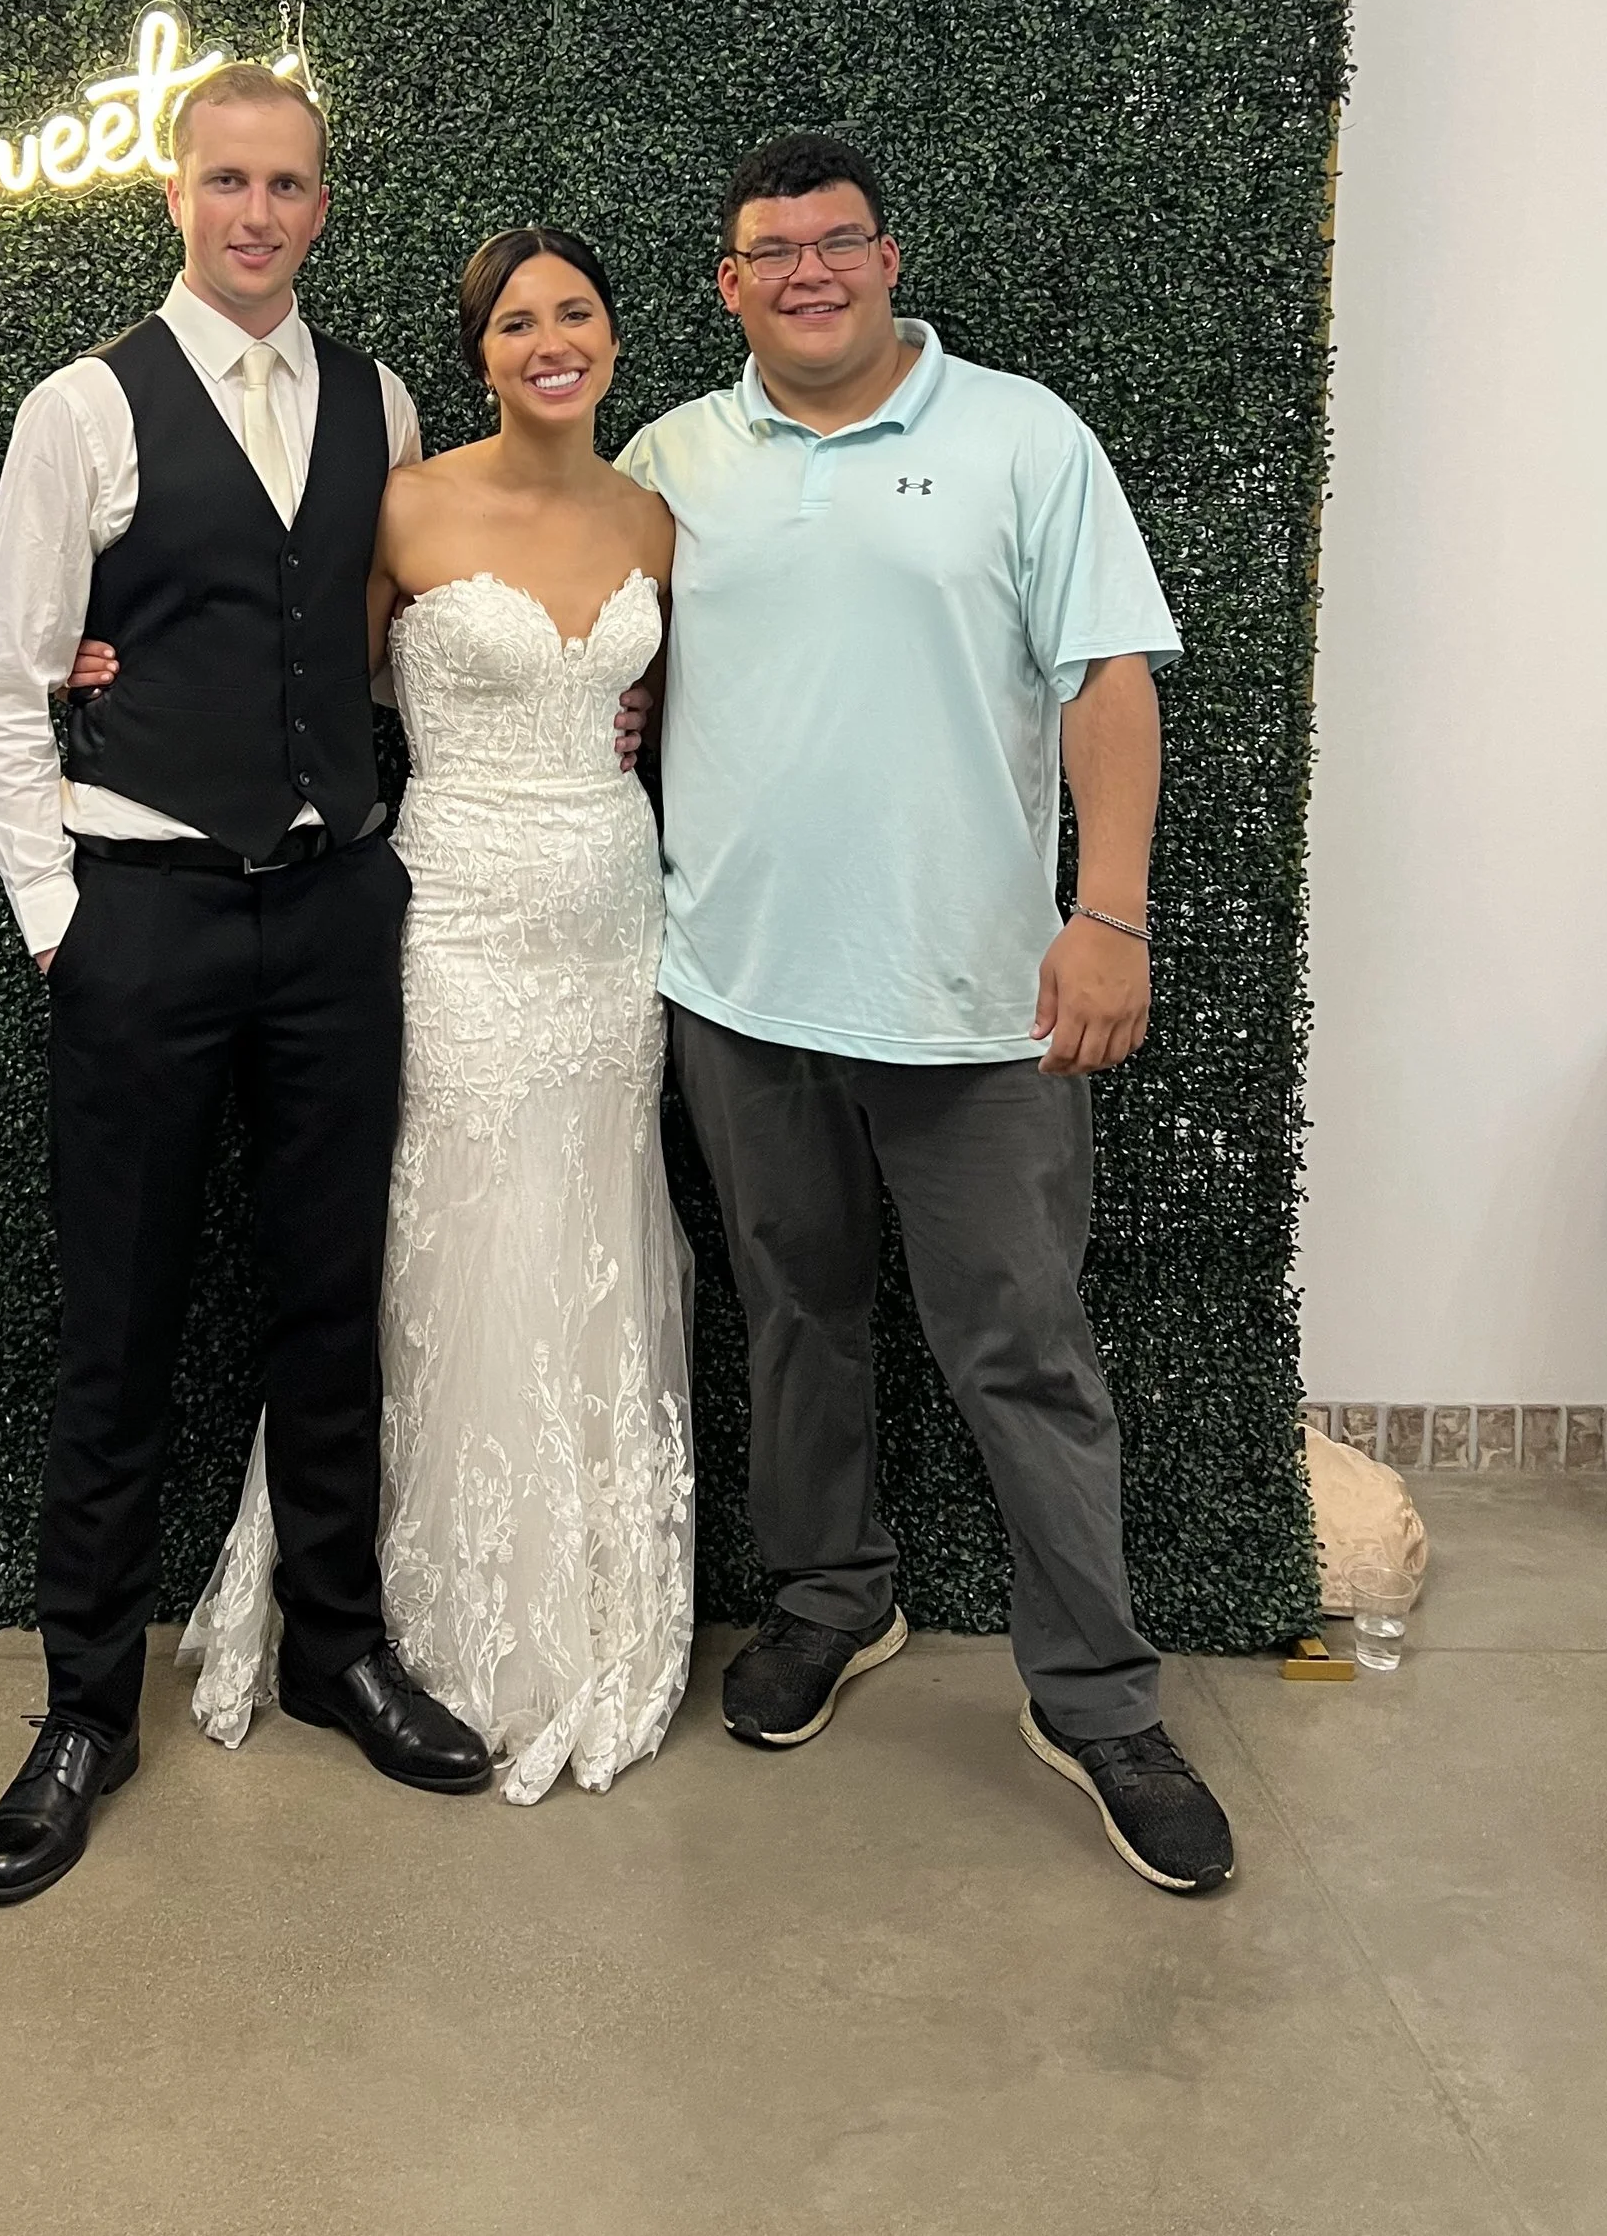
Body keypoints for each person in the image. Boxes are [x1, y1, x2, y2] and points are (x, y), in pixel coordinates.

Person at [618, 131, 1237, 1896]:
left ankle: (1097, 1696)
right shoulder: (671, 458)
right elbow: (536, 615)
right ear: (730, 285)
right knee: (794, 1313)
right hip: (738, 986)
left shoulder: (1025, 438)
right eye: (771, 251)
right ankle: (832, 1599)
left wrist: (1108, 917)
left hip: (979, 1002)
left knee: (1021, 1346)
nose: (807, 272)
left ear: (889, 260)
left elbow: (1109, 678)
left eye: (837, 242)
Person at [0, 64, 490, 1910]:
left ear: (323, 205)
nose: (259, 213)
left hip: (338, 912)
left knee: (332, 1299)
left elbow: (383, 649)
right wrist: (62, 917)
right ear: (176, 195)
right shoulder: (82, 408)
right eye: (229, 181)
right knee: (119, 1324)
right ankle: (83, 1711)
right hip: (147, 918)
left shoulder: (383, 401)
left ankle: (338, 1648)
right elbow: (5, 691)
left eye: (290, 184)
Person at [176, 228, 694, 1801]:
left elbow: (683, 706)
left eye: (576, 313)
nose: (552, 341)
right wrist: (113, 667)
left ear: (613, 335)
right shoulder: (404, 504)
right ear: (479, 356)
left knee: (594, 1224)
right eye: (518, 322)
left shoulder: (655, 520)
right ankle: (402, 1616)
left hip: (611, 917)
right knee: (445, 1230)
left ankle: (587, 1596)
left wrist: (640, 712)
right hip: (454, 914)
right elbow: (296, 676)